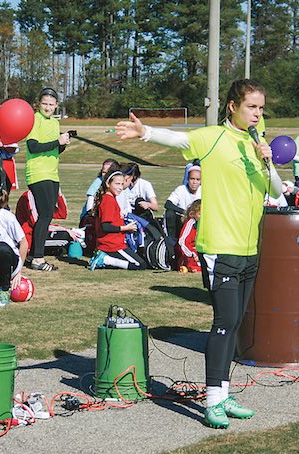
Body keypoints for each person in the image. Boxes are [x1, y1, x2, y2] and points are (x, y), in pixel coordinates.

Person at [116, 78, 283, 429]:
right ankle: (211, 400)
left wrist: (267, 160)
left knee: (236, 323)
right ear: (232, 107)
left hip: (249, 247)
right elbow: (180, 139)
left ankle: (223, 394)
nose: (257, 114)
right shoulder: (214, 138)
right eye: (251, 107)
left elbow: (276, 190)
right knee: (223, 324)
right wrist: (144, 132)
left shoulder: (256, 144)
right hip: (219, 247)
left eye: (261, 109)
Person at [24, 86, 71, 271]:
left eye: (51, 104)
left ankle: (35, 254)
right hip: (38, 173)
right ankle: (37, 258)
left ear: (57, 105)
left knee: (48, 215)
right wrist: (56, 142)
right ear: (39, 104)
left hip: (52, 173)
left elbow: (54, 149)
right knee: (44, 215)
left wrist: (63, 144)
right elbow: (33, 146)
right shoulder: (34, 119)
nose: (48, 107)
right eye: (44, 103)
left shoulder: (54, 123)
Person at [89, 169, 147, 271]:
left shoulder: (110, 198)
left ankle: (104, 258)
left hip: (115, 243)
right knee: (140, 265)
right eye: (117, 184)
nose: (120, 187)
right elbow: (105, 226)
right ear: (108, 183)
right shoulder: (108, 200)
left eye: (122, 184)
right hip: (111, 245)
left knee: (141, 262)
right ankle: (105, 259)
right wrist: (125, 228)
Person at [164, 166, 201, 240]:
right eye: (192, 179)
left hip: (198, 222)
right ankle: (171, 240)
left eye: (197, 179)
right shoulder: (181, 189)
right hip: (182, 221)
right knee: (169, 213)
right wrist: (184, 212)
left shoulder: (204, 191)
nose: (194, 182)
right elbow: (168, 204)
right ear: (187, 179)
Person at [176, 199, 201, 272]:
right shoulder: (191, 224)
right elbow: (182, 242)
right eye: (200, 214)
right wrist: (192, 254)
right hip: (189, 254)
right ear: (193, 214)